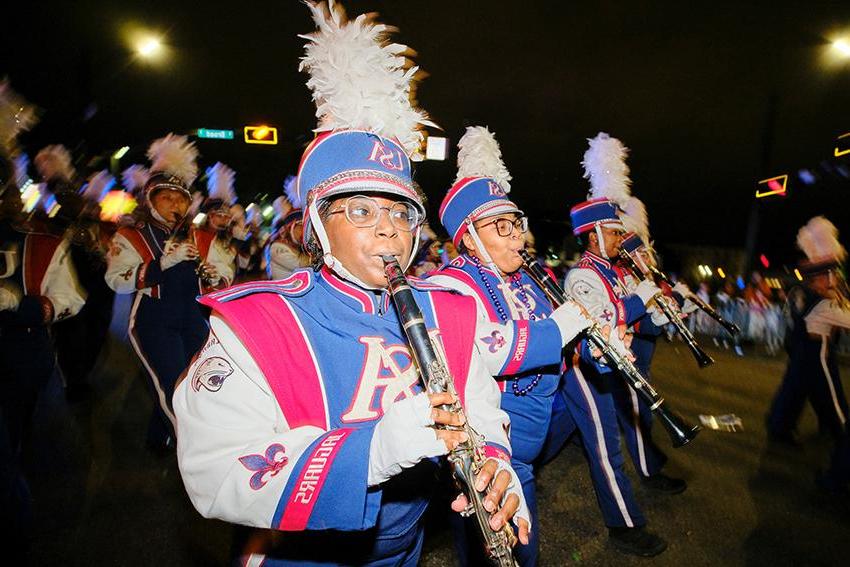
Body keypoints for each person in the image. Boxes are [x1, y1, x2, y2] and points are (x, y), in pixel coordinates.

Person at [175, 3, 531, 564]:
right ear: (318, 224)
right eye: (361, 211)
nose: (388, 227)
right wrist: (372, 451)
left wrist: (496, 463)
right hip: (303, 553)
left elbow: (479, 404)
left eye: (400, 212)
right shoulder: (258, 323)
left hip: (405, 543)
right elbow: (213, 469)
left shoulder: (451, 313)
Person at [429, 126, 592, 566]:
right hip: (493, 438)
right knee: (509, 545)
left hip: (533, 424)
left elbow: (564, 337)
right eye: (501, 226)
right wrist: (559, 329)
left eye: (516, 224)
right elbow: (488, 347)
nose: (517, 236)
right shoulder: (450, 283)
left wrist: (592, 335)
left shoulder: (524, 278)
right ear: (468, 236)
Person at [560, 133, 668, 556]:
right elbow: (605, 318)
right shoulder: (582, 274)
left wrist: (660, 302)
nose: (621, 238)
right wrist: (640, 298)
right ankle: (624, 525)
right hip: (585, 369)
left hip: (609, 363)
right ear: (592, 237)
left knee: (565, 436)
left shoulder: (613, 271)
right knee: (605, 445)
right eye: (613, 232)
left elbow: (638, 313)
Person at [105, 133, 229, 453]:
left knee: (196, 382)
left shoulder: (201, 235)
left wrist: (215, 276)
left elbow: (225, 272)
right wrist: (164, 262)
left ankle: (158, 436)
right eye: (167, 198)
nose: (175, 205)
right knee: (171, 382)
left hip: (192, 316)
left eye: (181, 199)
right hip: (153, 318)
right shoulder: (130, 233)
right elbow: (116, 280)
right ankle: (192, 450)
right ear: (151, 199)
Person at [767, 216, 850, 445]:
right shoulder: (823, 301)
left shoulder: (800, 291)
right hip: (816, 350)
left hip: (800, 347)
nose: (833, 280)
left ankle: (781, 426)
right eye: (829, 275)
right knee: (829, 394)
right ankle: (840, 430)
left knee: (799, 390)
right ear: (820, 276)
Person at [266, 176, 309, 280]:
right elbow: (303, 264)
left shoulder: (299, 245)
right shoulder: (277, 247)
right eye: (300, 226)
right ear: (291, 228)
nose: (305, 231)